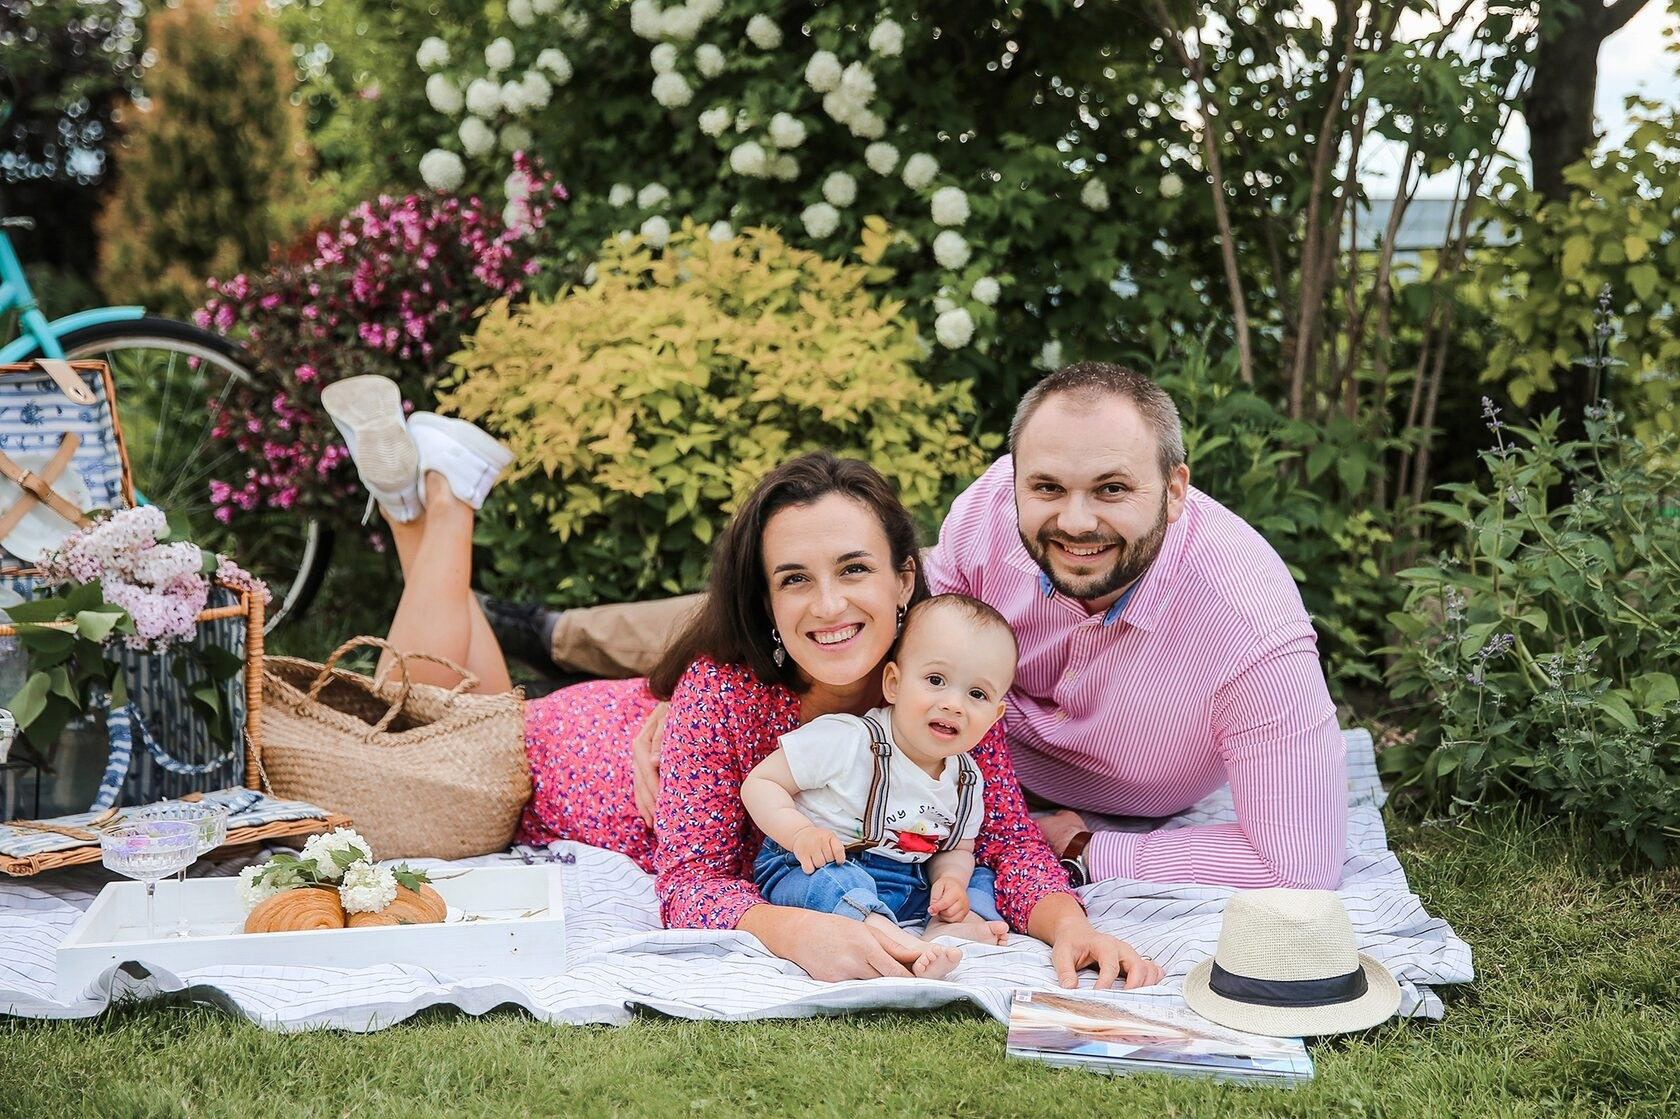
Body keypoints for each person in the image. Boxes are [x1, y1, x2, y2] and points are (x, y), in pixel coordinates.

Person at [322, 374, 1161, 989]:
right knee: (430, 710)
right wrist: (791, 930)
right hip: (554, 755)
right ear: (765, 598)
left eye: (854, 568)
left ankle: (416, 497)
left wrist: (1070, 925)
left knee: (461, 684)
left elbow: (1007, 837)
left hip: (619, 712)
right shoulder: (724, 693)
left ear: (906, 578)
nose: (827, 605)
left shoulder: (941, 685)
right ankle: (446, 499)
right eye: (794, 579)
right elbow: (690, 882)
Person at [514, 362, 1348, 892]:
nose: (1075, 520)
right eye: (1047, 487)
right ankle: (549, 630)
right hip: (933, 736)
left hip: (1018, 785)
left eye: (1112, 489)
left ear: (1175, 490)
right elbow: (855, 637)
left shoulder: (1252, 630)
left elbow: (1302, 862)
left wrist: (1085, 846)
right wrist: (681, 702)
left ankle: (542, 636)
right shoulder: (990, 516)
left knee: (827, 591)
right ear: (1016, 479)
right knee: (826, 594)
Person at [741, 593, 1019, 980]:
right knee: (838, 882)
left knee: (978, 877)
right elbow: (760, 783)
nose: (954, 704)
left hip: (905, 879)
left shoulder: (966, 780)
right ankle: (892, 941)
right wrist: (800, 833)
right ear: (893, 684)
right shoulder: (849, 739)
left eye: (977, 694)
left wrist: (950, 882)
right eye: (935, 680)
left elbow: (956, 848)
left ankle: (944, 926)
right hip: (813, 865)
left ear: (994, 715)